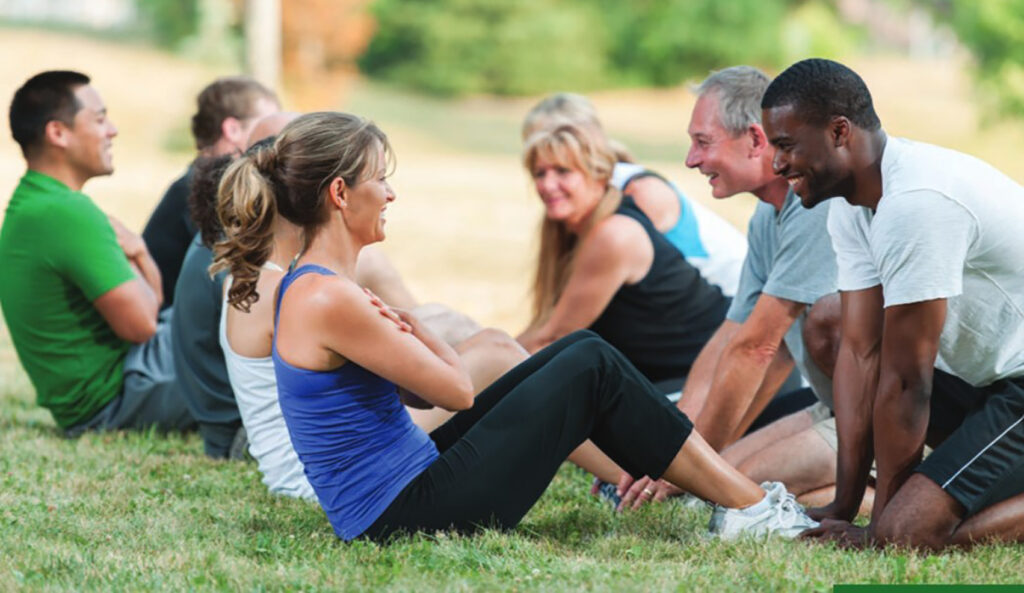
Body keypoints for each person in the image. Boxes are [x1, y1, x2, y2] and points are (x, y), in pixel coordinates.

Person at [214, 110, 817, 541]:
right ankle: (750, 507)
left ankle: (682, 487)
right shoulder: (327, 298)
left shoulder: (318, 288)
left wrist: (407, 336)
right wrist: (418, 332)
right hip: (399, 515)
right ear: (341, 193)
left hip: (402, 488)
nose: (391, 193)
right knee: (590, 363)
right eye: (380, 179)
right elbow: (455, 391)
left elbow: (413, 393)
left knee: (579, 350)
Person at [762, 58, 1024, 550]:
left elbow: (907, 380)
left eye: (786, 145)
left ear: (839, 131)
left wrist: (878, 528)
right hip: (988, 383)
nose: (777, 165)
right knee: (829, 324)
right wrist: (844, 508)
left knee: (905, 535)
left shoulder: (917, 202)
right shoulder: (853, 202)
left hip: (1018, 386)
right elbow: (860, 353)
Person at [207, 113, 526, 496]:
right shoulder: (290, 289)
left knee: (464, 332)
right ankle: (611, 476)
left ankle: (595, 457)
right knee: (498, 353)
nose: (389, 192)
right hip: (319, 474)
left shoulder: (264, 274)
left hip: (316, 461)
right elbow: (435, 389)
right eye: (379, 178)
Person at [642, 67, 842, 503]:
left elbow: (758, 349)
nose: (691, 160)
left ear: (755, 139)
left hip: (892, 417)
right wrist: (677, 447)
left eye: (702, 142)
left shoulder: (815, 207)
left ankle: (907, 486)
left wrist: (689, 466)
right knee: (718, 478)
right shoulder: (765, 220)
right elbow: (730, 339)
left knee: (726, 487)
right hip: (832, 407)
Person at [0, 71, 192, 435]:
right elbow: (142, 325)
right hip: (118, 400)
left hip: (111, 391)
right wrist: (140, 253)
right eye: (100, 119)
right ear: (58, 133)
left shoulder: (35, 203)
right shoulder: (66, 212)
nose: (113, 130)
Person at [517, 123, 729, 392]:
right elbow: (545, 326)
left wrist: (487, 364)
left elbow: (553, 339)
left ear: (598, 175)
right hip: (662, 376)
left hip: (706, 370)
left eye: (562, 171)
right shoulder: (569, 231)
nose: (547, 185)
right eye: (539, 173)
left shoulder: (615, 234)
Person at [521, 93, 747, 296]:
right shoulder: (575, 204)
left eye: (556, 143)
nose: (542, 154)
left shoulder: (639, 194)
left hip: (732, 302)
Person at [143, 76, 280, 307]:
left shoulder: (193, 182)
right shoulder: (203, 190)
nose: (276, 138)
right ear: (232, 129)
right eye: (267, 125)